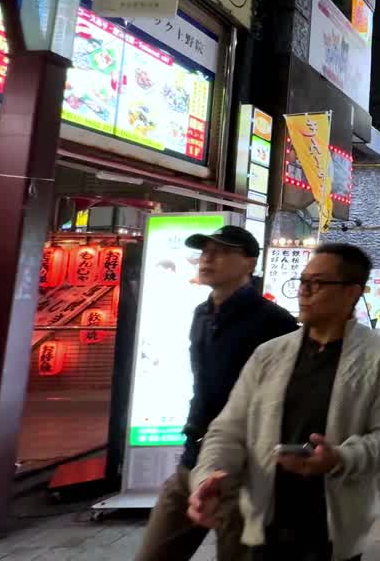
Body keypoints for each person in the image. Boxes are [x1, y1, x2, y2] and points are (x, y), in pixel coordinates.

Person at [188, 243, 380, 561]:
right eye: (302, 281)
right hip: (264, 521)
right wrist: (208, 475)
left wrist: (339, 458)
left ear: (352, 293)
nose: (303, 292)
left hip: (332, 528)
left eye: (317, 283)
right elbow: (228, 428)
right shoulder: (269, 354)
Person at [136, 226, 296, 561]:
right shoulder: (201, 314)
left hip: (243, 470)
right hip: (192, 459)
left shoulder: (273, 322)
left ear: (249, 263)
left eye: (221, 251)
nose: (208, 258)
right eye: (205, 251)